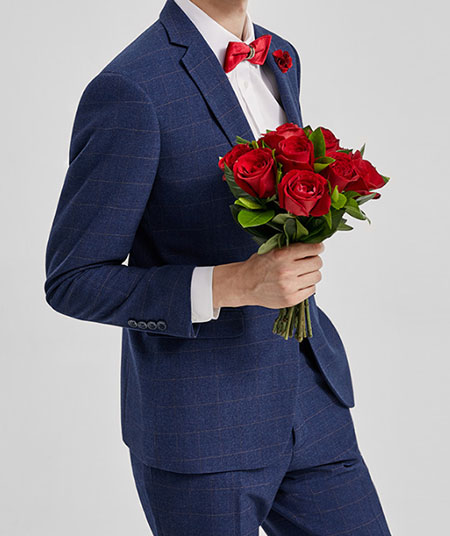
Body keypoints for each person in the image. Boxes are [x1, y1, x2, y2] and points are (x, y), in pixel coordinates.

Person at [44, 0, 392, 533]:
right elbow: (74, 279)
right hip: (203, 429)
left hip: (313, 401)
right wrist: (231, 284)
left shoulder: (281, 55)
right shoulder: (129, 89)